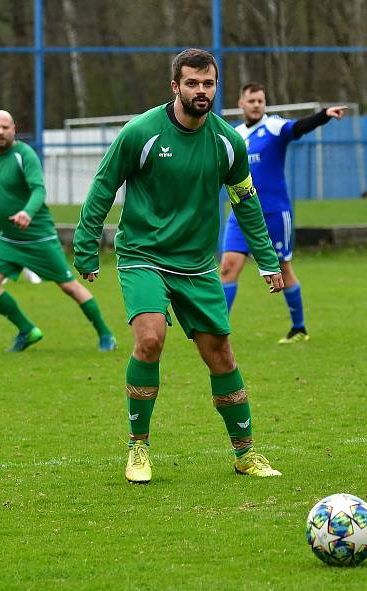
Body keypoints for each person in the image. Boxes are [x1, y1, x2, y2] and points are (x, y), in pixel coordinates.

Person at [74, 49, 284, 484]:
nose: (201, 91)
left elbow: (246, 201)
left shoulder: (229, 143)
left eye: (208, 83)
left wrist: (266, 260)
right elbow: (103, 185)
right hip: (142, 256)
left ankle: (245, 454)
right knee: (150, 339)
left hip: (196, 265)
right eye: (192, 83)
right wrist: (86, 246)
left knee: (221, 355)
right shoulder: (141, 132)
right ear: (175, 86)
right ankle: (138, 447)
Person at [0, 110, 116, 353]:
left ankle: (106, 334)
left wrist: (27, 212)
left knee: (69, 286)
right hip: (9, 239)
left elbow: (38, 190)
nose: (1, 132)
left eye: (5, 127)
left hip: (39, 237)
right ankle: (27, 330)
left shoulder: (24, 155)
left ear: (14, 128)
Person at [219, 83, 347, 344]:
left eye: (261, 101)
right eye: (252, 100)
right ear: (241, 103)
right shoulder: (233, 134)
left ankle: (298, 328)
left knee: (282, 269)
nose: (256, 105)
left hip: (274, 213)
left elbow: (298, 127)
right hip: (240, 213)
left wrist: (323, 115)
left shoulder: (274, 127)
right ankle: (219, 330)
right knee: (228, 267)